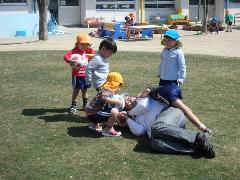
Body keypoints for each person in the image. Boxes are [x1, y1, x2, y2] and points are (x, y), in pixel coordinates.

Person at [119, 83, 215, 158]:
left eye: (128, 97)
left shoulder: (143, 98)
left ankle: (197, 137)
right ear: (124, 108)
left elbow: (144, 107)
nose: (130, 100)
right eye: (126, 101)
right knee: (154, 143)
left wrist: (129, 112)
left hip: (173, 114)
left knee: (155, 128)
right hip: (163, 131)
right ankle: (197, 148)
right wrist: (127, 119)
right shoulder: (134, 118)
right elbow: (139, 131)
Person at [63, 33, 95, 113]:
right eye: (82, 44)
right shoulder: (74, 51)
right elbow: (65, 56)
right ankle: (73, 105)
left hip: (85, 75)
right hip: (76, 75)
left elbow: (93, 53)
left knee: (85, 91)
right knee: (76, 90)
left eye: (86, 44)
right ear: (77, 44)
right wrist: (70, 60)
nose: (84, 46)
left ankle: (85, 104)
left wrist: (89, 47)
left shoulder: (87, 51)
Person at [85, 72, 124, 137]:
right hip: (94, 114)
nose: (119, 88)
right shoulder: (109, 90)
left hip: (90, 113)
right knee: (114, 111)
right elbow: (103, 98)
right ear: (115, 84)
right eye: (119, 85)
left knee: (106, 108)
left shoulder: (104, 88)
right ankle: (108, 130)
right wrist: (117, 102)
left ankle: (94, 125)